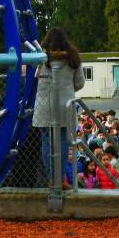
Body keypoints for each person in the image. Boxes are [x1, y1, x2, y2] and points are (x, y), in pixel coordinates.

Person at [32, 27, 85, 184]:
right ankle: (60, 180)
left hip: (44, 106)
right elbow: (79, 83)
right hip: (65, 105)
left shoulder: (41, 56)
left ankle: (52, 179)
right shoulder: (73, 57)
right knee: (62, 142)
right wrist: (67, 88)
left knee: (46, 141)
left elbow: (36, 76)